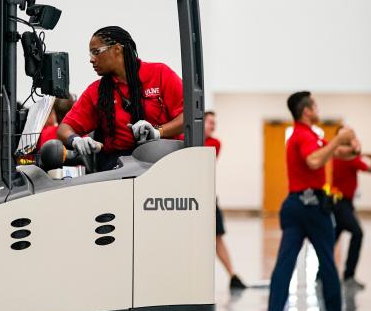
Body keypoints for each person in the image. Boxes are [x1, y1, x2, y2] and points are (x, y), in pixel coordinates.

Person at [264, 91, 356, 311]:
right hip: (310, 207)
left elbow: (339, 154)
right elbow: (314, 162)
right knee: (326, 263)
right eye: (315, 106)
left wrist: (353, 147)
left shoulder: (312, 137)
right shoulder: (302, 136)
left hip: (300, 206)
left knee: (290, 263)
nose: (318, 110)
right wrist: (339, 141)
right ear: (307, 110)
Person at [58, 26, 183, 171]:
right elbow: (64, 128)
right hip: (118, 167)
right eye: (90, 54)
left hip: (163, 160)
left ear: (117, 49)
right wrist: (76, 140)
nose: (91, 60)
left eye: (96, 52)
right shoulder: (96, 91)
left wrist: (157, 132)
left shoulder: (160, 73)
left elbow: (189, 117)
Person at [330, 129, 371, 290]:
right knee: (357, 233)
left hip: (339, 202)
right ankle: (349, 275)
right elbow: (370, 169)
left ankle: (320, 274)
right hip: (341, 203)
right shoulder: (348, 158)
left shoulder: (338, 155)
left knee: (333, 237)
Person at [204, 110, 247, 290]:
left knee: (218, 237)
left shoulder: (215, 143)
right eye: (210, 122)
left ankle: (233, 276)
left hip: (208, 196)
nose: (213, 126)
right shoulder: (183, 138)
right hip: (190, 196)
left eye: (215, 123)